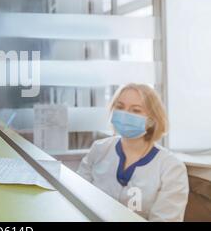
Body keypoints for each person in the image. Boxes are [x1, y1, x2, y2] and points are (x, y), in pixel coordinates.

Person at [77, 83, 189, 221]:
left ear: (152, 120)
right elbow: (77, 195)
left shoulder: (171, 167)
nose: (125, 114)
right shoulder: (99, 149)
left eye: (136, 110)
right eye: (120, 107)